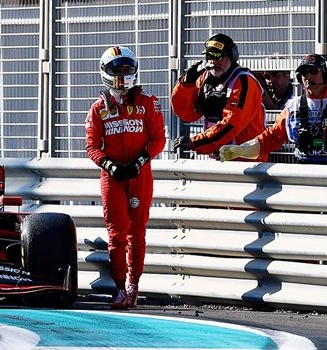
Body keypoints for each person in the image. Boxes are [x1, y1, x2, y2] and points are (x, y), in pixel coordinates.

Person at [85, 46, 166, 309]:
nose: (122, 75)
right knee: (116, 234)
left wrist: (141, 160)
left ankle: (134, 284)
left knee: (137, 233)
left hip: (140, 174)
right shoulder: (98, 109)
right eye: (116, 70)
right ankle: (119, 288)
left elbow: (159, 139)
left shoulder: (148, 102)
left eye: (126, 69)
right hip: (112, 177)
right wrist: (109, 164)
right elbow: (91, 146)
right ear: (105, 72)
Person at [219, 54, 327, 166]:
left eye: (313, 71)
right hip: (303, 171)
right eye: (304, 73)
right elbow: (270, 138)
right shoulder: (292, 107)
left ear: (325, 75)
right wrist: (240, 150)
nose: (308, 77)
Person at [170, 33, 266, 161]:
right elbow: (186, 113)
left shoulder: (245, 82)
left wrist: (197, 142)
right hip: (217, 156)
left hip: (246, 159)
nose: (213, 62)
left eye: (218, 57)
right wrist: (187, 84)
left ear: (232, 57)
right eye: (209, 57)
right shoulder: (205, 79)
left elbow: (232, 124)